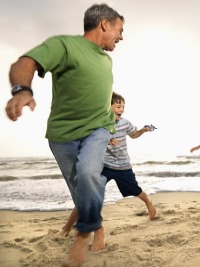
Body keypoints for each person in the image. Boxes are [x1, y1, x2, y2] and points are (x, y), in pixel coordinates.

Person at [5, 4, 124, 266]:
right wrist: (22, 90)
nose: (121, 37)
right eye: (120, 29)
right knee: (79, 188)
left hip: (98, 129)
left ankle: (85, 235)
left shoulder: (106, 58)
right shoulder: (65, 45)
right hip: (61, 135)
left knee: (89, 174)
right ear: (104, 24)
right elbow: (25, 62)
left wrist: (111, 127)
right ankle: (97, 226)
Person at [60, 92, 157, 237]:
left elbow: (134, 134)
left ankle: (148, 202)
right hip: (103, 166)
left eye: (123, 106)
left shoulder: (124, 123)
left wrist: (142, 130)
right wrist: (108, 140)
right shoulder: (98, 125)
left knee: (136, 191)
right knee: (87, 196)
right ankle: (66, 228)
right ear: (107, 107)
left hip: (123, 166)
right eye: (118, 106)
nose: (122, 109)